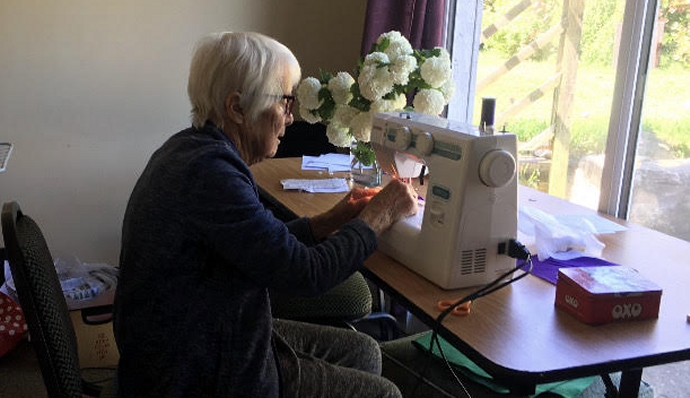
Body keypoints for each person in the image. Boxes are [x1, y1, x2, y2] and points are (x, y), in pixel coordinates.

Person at [113, 31, 418, 398]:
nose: (290, 119)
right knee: (385, 394)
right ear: (237, 108)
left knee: (364, 350)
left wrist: (328, 221)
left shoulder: (190, 150)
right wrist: (378, 217)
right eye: (284, 103)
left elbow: (260, 245)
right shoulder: (211, 175)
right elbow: (306, 274)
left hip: (204, 332)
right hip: (195, 372)